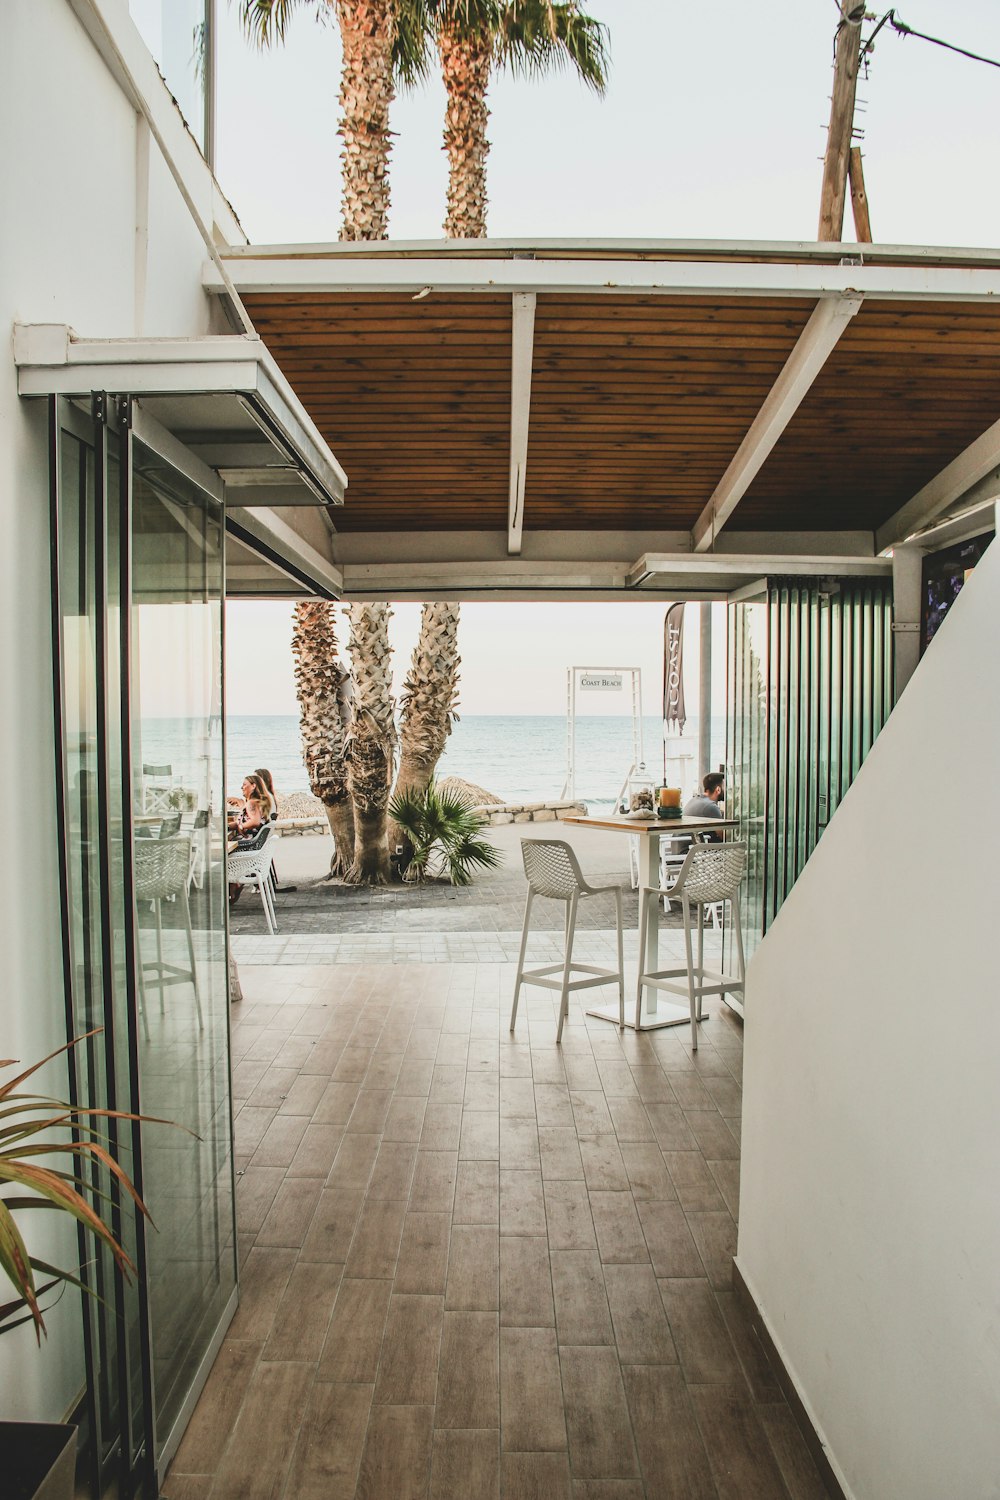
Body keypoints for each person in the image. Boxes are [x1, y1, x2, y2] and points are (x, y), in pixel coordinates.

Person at [255, 767, 297, 893]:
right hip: (266, 837)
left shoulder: (265, 798)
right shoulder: (269, 796)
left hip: (261, 839)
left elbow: (258, 819)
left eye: (256, 779)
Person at [683, 772, 725, 839]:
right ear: (718, 789)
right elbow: (724, 836)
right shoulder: (710, 806)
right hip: (692, 848)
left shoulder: (695, 800)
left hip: (683, 847)